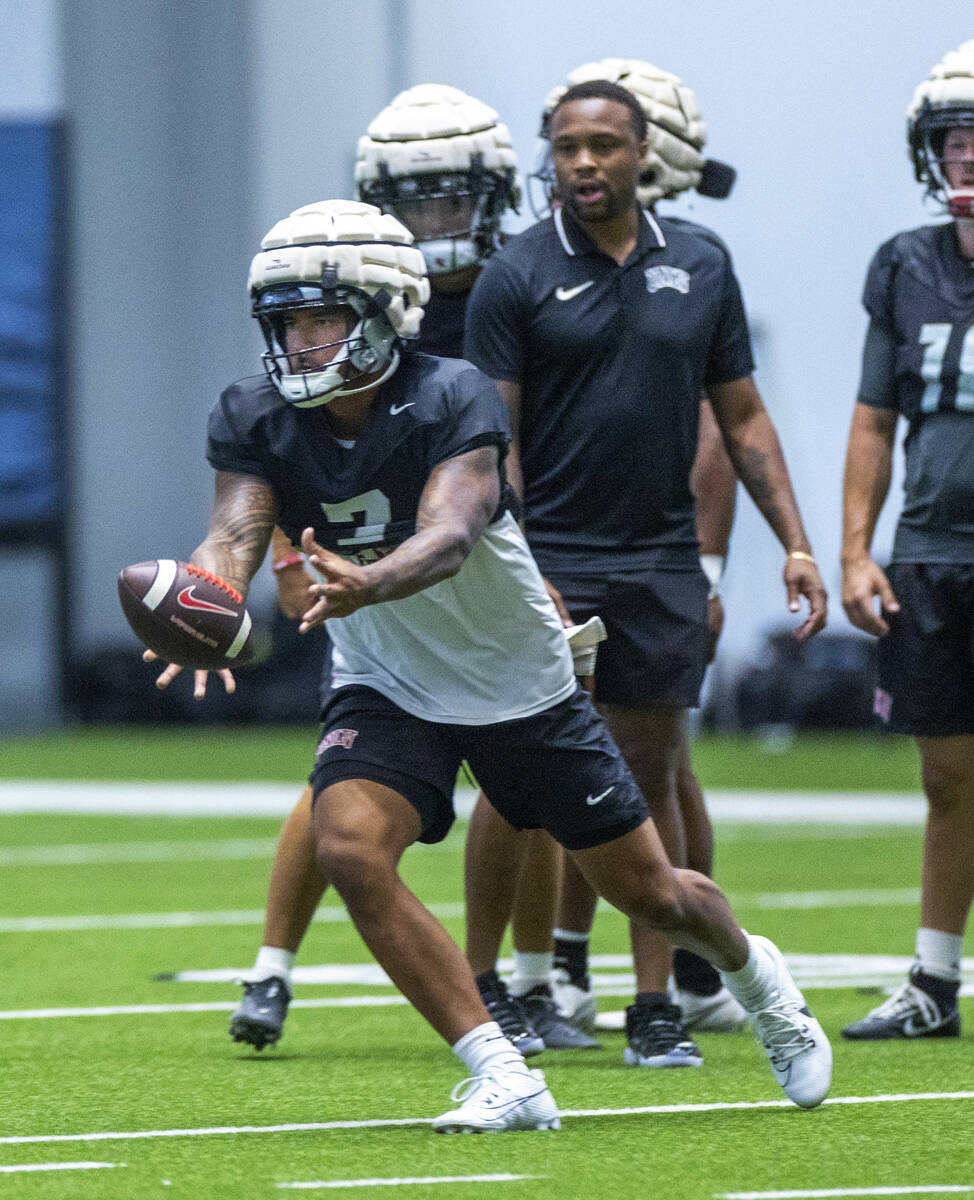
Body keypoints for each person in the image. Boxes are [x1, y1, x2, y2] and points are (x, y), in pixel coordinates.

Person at [150, 198, 832, 1125]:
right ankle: (503, 1072)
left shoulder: (450, 393)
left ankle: (758, 978)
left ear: (385, 310)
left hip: (514, 674)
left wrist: (369, 583)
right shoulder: (252, 413)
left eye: (321, 316)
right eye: (286, 320)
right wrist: (202, 601)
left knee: (649, 891)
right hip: (385, 676)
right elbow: (234, 530)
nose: (300, 341)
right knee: (351, 845)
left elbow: (452, 533)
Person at [462, 76, 829, 1072]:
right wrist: (517, 563)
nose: (583, 163)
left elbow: (743, 421)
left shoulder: (702, 265)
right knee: (514, 777)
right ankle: (482, 989)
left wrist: (794, 543)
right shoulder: (516, 273)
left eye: (602, 146)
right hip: (552, 560)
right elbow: (489, 441)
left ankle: (653, 1006)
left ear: (639, 155)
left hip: (660, 560)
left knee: (648, 774)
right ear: (550, 157)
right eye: (566, 147)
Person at [229, 84, 591, 1056]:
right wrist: (279, 559)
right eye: (412, 198)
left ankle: (526, 978)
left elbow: (512, 452)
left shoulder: (521, 284)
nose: (433, 220)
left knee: (531, 771)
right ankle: (273, 963)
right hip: (366, 560)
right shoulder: (347, 286)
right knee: (344, 771)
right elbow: (279, 450)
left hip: (483, 541)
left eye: (450, 196)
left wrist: (536, 557)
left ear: (492, 193)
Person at [840, 40, 974, 1041]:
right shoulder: (902, 262)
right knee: (945, 776)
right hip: (930, 549)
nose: (966, 156)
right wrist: (854, 548)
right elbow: (872, 420)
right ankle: (931, 982)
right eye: (953, 140)